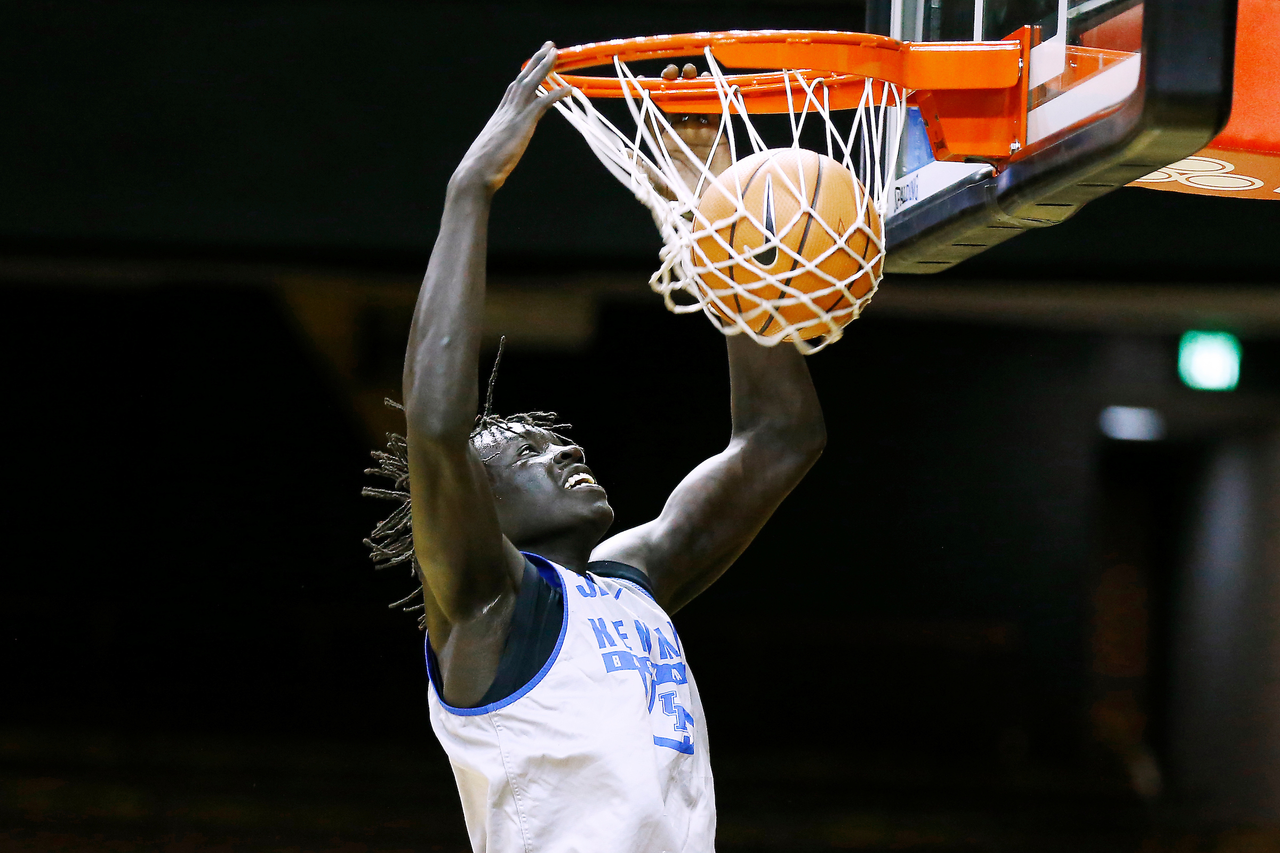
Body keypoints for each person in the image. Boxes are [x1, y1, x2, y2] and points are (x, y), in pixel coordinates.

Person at [366, 42, 826, 853]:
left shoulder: (631, 581)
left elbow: (782, 437)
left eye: (554, 436)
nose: (560, 445)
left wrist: (710, 205)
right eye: (528, 448)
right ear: (483, 505)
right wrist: (469, 192)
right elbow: (436, 428)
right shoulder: (489, 610)